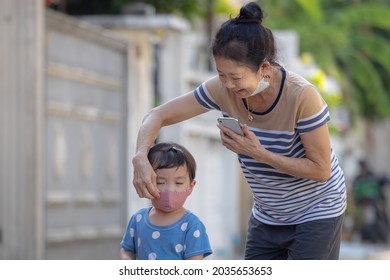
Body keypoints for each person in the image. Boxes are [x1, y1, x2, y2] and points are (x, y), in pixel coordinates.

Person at [131, 2, 346, 260]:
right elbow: (157, 115)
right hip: (268, 213)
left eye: (236, 77)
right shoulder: (221, 90)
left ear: (264, 69)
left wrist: (259, 153)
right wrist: (140, 156)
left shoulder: (302, 96)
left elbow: (321, 169)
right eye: (221, 74)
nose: (228, 85)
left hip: (317, 209)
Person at [120, 142, 212, 260]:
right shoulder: (137, 220)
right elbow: (127, 250)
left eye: (178, 183)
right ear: (146, 181)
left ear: (191, 186)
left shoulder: (192, 225)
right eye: (160, 182)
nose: (169, 190)